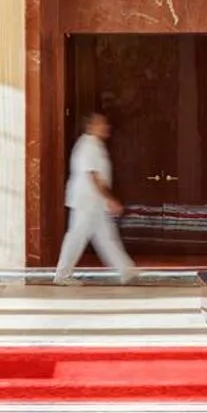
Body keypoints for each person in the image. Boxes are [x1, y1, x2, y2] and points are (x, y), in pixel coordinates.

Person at [53, 111, 139, 285]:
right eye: (101, 124)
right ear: (90, 126)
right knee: (77, 237)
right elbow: (93, 176)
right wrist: (110, 198)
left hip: (94, 202)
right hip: (87, 201)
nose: (105, 127)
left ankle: (126, 271)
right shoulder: (88, 146)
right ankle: (62, 275)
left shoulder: (95, 145)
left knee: (106, 237)